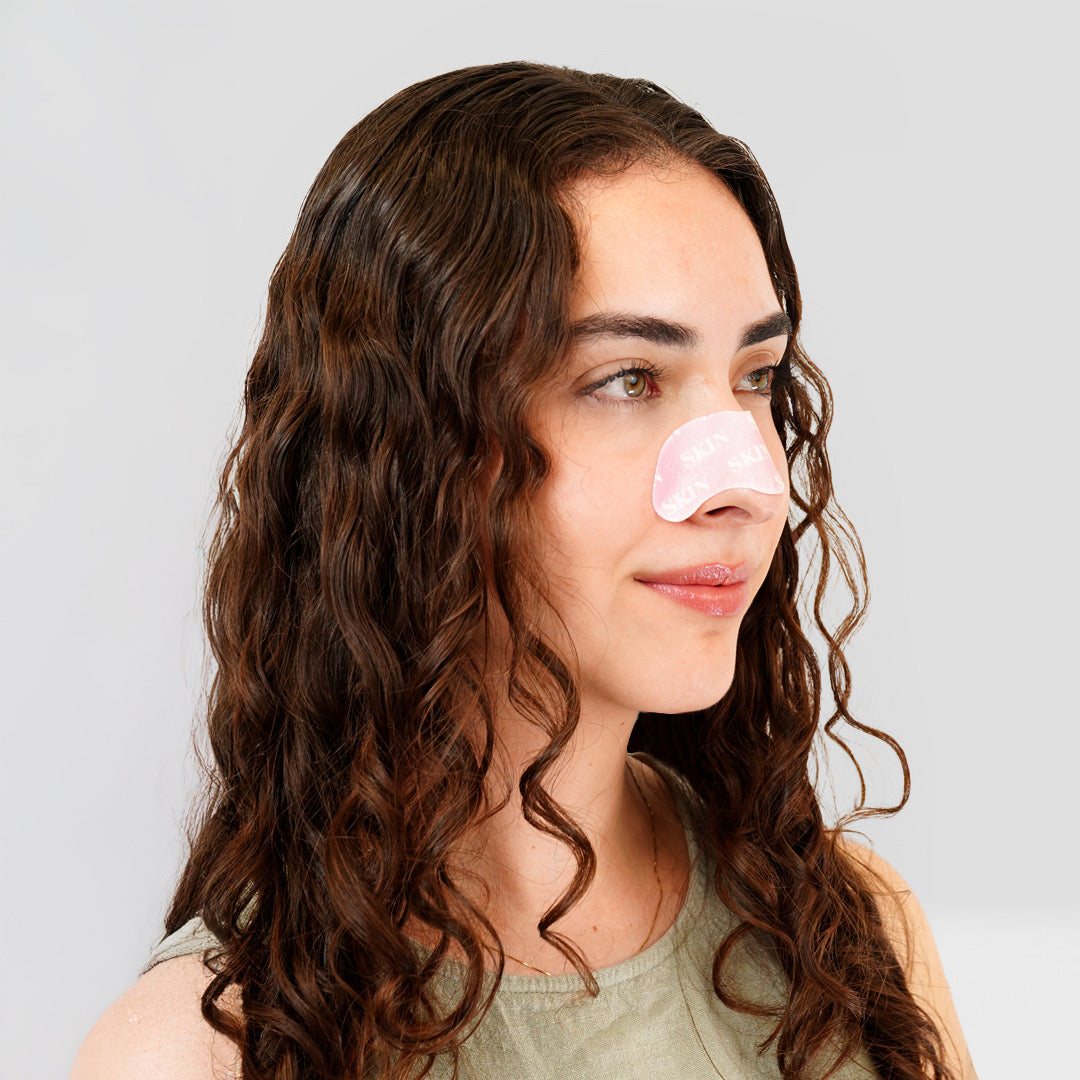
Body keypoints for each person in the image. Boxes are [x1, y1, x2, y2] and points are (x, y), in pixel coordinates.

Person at [71, 62, 976, 1080]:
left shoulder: (850, 936)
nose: (747, 483)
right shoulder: (208, 1050)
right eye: (628, 379)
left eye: (756, 376)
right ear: (414, 448)